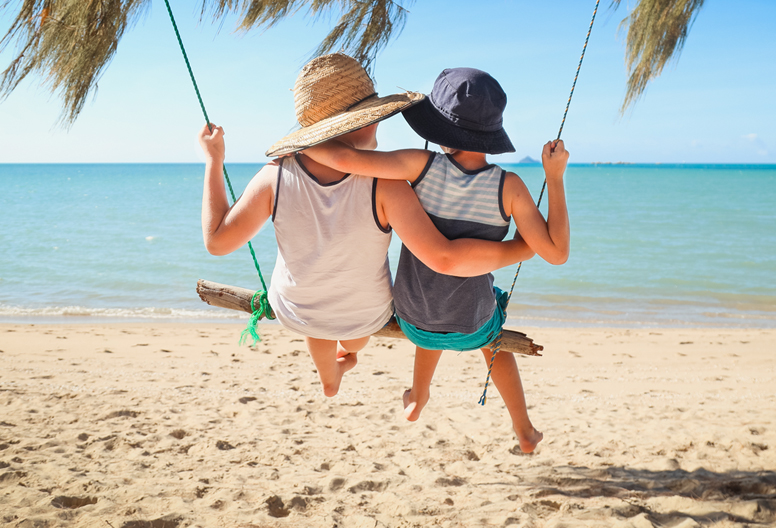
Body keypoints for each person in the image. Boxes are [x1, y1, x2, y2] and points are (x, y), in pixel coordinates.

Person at [199, 54, 533, 399]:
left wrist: (214, 161)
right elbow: (441, 256)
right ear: (363, 122)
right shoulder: (386, 185)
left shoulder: (276, 175)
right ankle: (351, 354)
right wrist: (522, 247)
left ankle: (330, 378)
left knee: (319, 325)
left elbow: (217, 242)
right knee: (353, 337)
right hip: (367, 316)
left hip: (296, 311)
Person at [300, 67, 570, 453]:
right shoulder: (509, 187)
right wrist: (555, 177)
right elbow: (556, 253)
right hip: (474, 323)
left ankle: (418, 396)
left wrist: (303, 141)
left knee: (433, 313)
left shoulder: (419, 166)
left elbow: (341, 159)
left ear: (441, 129)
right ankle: (524, 430)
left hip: (413, 317)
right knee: (494, 344)